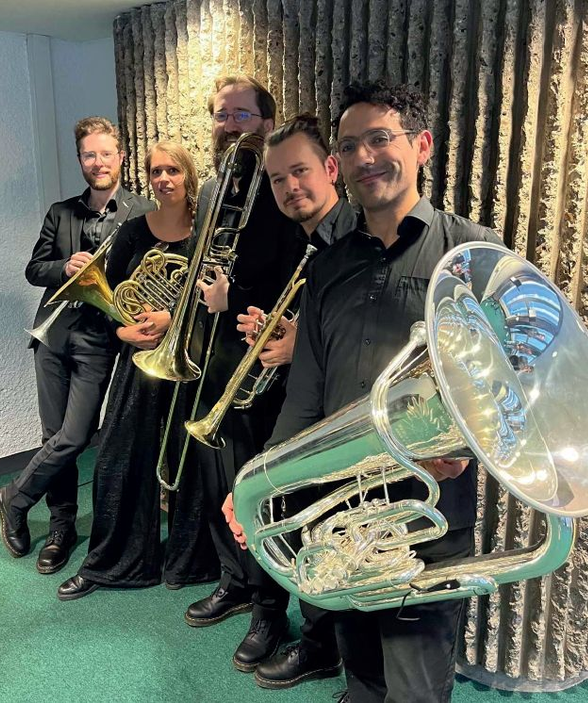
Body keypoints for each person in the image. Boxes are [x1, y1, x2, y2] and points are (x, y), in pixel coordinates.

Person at [225, 80, 502, 703]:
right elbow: (306, 396)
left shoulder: (474, 252)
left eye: (380, 138)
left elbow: (512, 380)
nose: (364, 158)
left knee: (415, 685)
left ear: (421, 145)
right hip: (341, 511)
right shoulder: (327, 265)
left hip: (426, 511)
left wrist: (469, 446)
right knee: (364, 674)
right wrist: (256, 483)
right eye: (349, 146)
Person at [0, 117, 154, 575]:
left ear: (121, 157)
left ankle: (13, 498)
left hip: (99, 337)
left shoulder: (142, 211)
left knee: (76, 435)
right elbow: (34, 269)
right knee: (53, 436)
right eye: (89, 155)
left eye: (106, 154)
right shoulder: (61, 212)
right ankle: (60, 528)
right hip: (53, 335)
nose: (98, 162)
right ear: (80, 159)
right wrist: (64, 267)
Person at [57, 141, 219, 600]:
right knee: (119, 455)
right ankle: (113, 562)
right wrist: (122, 331)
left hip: (189, 357)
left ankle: (190, 562)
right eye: (155, 172)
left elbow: (213, 296)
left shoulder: (206, 233)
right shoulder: (131, 231)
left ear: (188, 176)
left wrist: (173, 316)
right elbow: (112, 299)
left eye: (172, 171)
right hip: (140, 358)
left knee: (192, 461)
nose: (163, 179)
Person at [182, 75, 303, 674]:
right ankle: (234, 580)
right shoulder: (212, 189)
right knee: (214, 476)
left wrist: (237, 296)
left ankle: (269, 608)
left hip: (259, 354)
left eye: (242, 115)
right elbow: (200, 262)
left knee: (254, 486)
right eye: (221, 115)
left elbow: (294, 274)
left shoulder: (280, 188)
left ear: (266, 122)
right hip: (212, 350)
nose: (230, 125)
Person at [232, 113, 357, 690]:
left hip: (343, 417)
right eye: (278, 179)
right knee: (301, 515)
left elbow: (358, 329)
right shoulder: (304, 238)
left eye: (299, 171)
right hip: (304, 405)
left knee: (326, 524)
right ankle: (309, 633)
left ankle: (324, 644)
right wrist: (278, 331)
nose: (289, 187)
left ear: (331, 168)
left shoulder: (354, 236)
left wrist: (298, 344)